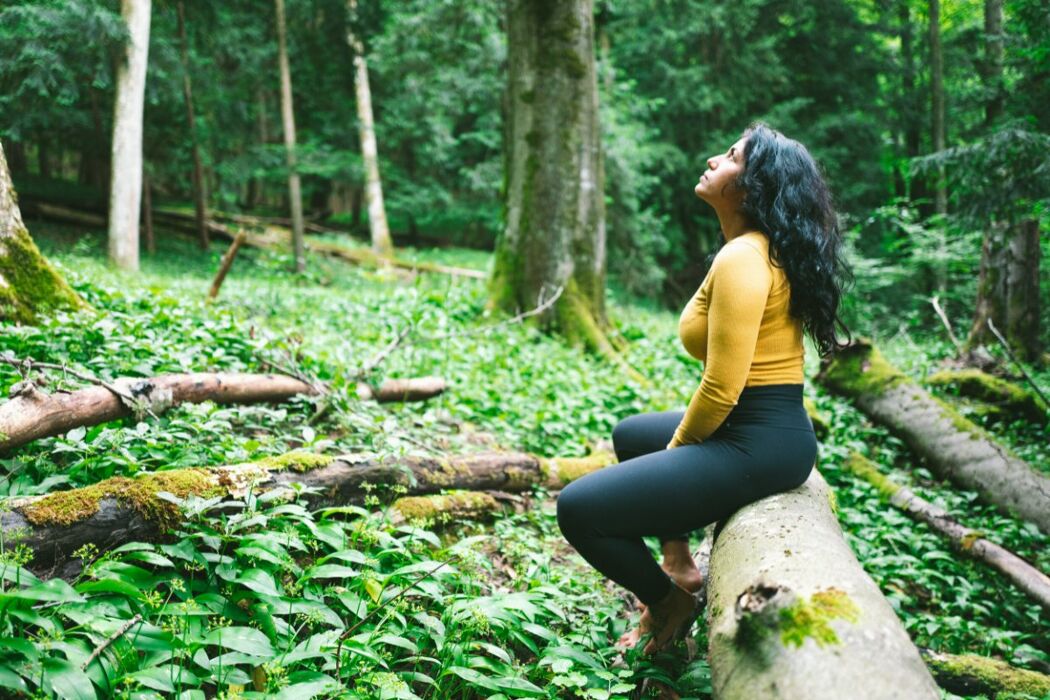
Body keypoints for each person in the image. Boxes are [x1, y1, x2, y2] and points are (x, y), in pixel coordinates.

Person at [556, 122, 854, 655]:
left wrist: (678, 451)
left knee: (578, 508)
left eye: (732, 156)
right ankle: (680, 565)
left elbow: (720, 388)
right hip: (768, 428)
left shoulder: (744, 257)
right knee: (631, 434)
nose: (714, 158)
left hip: (756, 440)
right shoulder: (752, 249)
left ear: (753, 185)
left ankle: (669, 602)